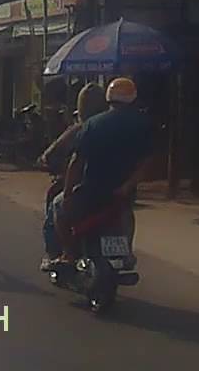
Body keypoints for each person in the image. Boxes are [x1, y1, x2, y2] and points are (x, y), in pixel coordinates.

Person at [43, 77, 153, 270]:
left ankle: (69, 254)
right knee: (125, 213)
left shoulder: (92, 125)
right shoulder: (143, 125)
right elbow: (146, 162)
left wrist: (68, 193)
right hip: (122, 194)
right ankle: (126, 252)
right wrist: (127, 186)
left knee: (58, 207)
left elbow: (76, 162)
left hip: (91, 193)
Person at [38, 82, 107, 265]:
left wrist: (48, 161)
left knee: (56, 206)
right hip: (117, 188)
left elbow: (55, 155)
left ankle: (61, 253)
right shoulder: (115, 126)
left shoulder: (82, 129)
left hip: (84, 188)